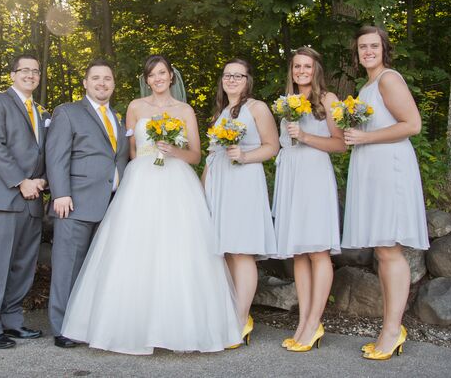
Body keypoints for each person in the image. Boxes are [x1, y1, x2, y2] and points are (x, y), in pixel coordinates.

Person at [60, 55, 242, 355]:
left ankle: (181, 327)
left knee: (179, 251)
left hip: (177, 181)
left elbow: (196, 154)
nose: (157, 78)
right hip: (141, 180)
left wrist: (172, 150)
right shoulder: (135, 107)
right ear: (146, 80)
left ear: (171, 76)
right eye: (151, 74)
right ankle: (127, 326)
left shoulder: (184, 110)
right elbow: (129, 152)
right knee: (134, 250)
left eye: (162, 73)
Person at [342, 26, 429, 360]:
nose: (367, 51)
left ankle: (392, 330)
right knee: (382, 250)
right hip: (371, 170)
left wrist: (364, 138)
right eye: (362, 46)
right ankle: (390, 327)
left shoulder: (389, 80)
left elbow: (412, 125)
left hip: (390, 169)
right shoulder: (366, 86)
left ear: (384, 49)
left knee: (390, 250)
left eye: (373, 46)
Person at [45, 59, 129, 349]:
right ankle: (62, 328)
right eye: (96, 78)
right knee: (68, 266)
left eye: (107, 78)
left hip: (111, 206)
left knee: (97, 269)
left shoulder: (118, 118)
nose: (102, 83)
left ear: (113, 84)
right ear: (85, 83)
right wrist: (60, 193)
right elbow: (56, 156)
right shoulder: (68, 112)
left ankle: (88, 324)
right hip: (75, 202)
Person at [271, 47, 345, 352]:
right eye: (297, 66)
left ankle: (315, 322)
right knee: (298, 253)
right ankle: (303, 321)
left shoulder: (328, 99)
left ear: (316, 70)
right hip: (290, 174)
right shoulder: (285, 102)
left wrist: (305, 137)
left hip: (314, 174)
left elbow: (340, 144)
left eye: (307, 66)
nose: (301, 71)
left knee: (317, 251)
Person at [202, 58, 279, 346]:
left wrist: (244, 156)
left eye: (238, 75)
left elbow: (272, 146)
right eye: (227, 75)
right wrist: (203, 190)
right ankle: (233, 314)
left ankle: (240, 318)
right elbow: (212, 155)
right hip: (219, 183)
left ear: (248, 80)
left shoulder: (256, 108)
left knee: (242, 250)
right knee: (227, 250)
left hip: (244, 181)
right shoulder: (221, 112)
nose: (232, 79)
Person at [0, 54, 48, 350]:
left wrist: (43, 180)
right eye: (24, 70)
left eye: (35, 71)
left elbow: (44, 152)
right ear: (13, 74)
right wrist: (21, 180)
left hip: (32, 199)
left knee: (23, 265)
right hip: (3, 198)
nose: (30, 74)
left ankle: (13, 321)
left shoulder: (41, 112)